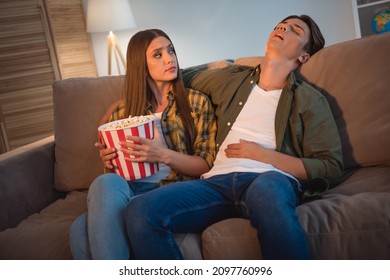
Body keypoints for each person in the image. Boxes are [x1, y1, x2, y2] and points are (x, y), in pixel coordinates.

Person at [124, 15, 344, 260]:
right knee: (139, 211)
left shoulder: (310, 100)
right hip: (216, 183)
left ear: (303, 56)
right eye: (280, 25)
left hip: (269, 181)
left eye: (295, 30)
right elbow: (174, 77)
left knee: (267, 192)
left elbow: (331, 166)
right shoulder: (231, 78)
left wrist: (263, 155)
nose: (283, 27)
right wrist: (123, 104)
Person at [69, 29, 217, 259]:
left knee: (82, 229)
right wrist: (109, 161)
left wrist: (162, 154)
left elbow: (205, 165)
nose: (170, 58)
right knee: (86, 214)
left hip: (172, 190)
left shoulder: (196, 102)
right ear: (141, 64)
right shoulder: (122, 112)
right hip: (132, 190)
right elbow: (113, 177)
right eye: (158, 54)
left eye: (170, 50)